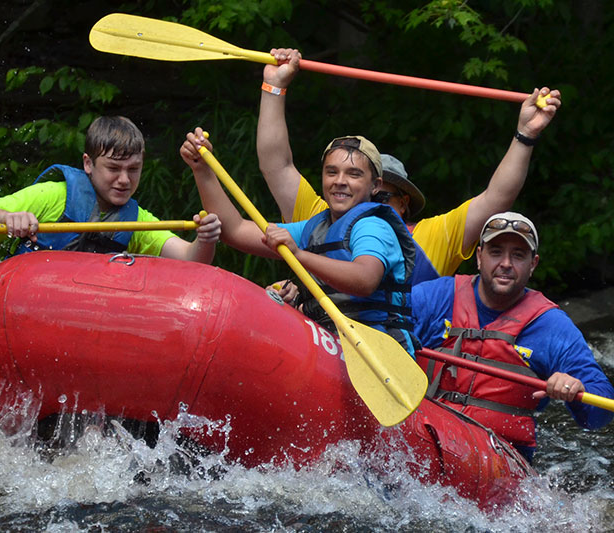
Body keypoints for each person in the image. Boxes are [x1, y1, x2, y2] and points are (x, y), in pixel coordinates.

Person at [257, 48, 562, 282]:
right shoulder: (317, 219)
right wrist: (274, 87)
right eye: (338, 175)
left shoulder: (429, 239)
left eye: (381, 197)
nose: (351, 190)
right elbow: (277, 166)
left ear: (403, 205)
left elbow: (496, 198)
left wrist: (526, 134)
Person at [0, 116, 221, 297]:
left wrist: (205, 239)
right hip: (20, 297)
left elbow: (192, 262)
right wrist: (9, 218)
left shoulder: (135, 219)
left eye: (134, 169)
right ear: (88, 163)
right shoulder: (52, 196)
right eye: (113, 168)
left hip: (74, 311)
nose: (125, 180)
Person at [181, 127, 419, 356]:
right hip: (335, 347)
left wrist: (300, 255)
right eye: (332, 172)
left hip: (380, 354)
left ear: (375, 185)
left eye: (354, 174)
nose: (340, 181)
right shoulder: (315, 227)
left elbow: (365, 280)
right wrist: (202, 170)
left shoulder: (373, 226)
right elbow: (235, 230)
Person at [412, 211, 614, 462]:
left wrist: (576, 388)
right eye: (496, 251)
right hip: (425, 435)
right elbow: (380, 332)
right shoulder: (434, 297)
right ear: (479, 257)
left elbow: (600, 411)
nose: (506, 263)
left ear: (533, 264)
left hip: (497, 461)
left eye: (518, 255)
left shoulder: (551, 326)